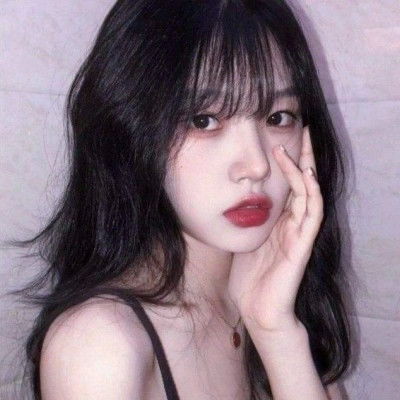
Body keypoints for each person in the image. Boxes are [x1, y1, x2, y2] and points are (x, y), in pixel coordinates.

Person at [9, 0, 352, 398]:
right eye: (203, 120)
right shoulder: (101, 346)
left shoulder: (281, 294)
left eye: (278, 117)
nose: (257, 166)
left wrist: (275, 331)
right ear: (131, 130)